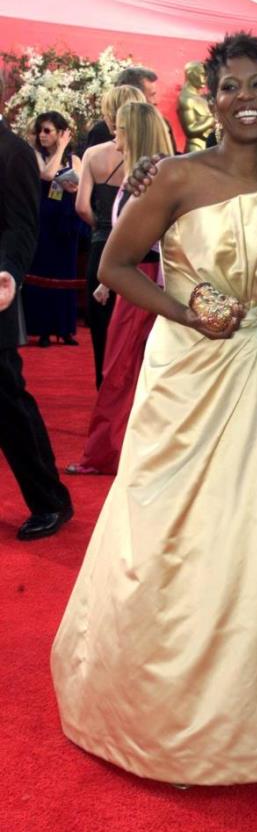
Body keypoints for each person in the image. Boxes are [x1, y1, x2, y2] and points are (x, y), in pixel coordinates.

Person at [51, 32, 257, 786]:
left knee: (250, 533)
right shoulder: (174, 176)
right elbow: (114, 266)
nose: (245, 99)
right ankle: (152, 707)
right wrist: (184, 309)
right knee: (166, 528)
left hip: (256, 382)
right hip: (184, 380)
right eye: (230, 87)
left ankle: (238, 709)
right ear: (210, 100)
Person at [67, 101, 174, 475]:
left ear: (137, 132)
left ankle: (108, 454)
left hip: (142, 284)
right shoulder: (150, 173)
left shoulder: (156, 176)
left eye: (122, 130)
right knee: (133, 371)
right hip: (137, 281)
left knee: (122, 371)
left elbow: (160, 240)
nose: (115, 137)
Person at [0, 82, 73, 540]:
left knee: (8, 405)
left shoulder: (11, 152)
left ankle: (50, 501)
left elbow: (22, 225)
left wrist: (8, 270)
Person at [76, 85, 146, 388]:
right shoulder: (152, 158)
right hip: (139, 258)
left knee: (102, 336)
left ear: (108, 115)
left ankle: (103, 394)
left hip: (101, 250)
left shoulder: (92, 155)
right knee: (135, 338)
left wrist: (101, 227)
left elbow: (81, 207)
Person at [23, 111, 82, 347]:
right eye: (41, 131)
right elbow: (47, 174)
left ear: (60, 133)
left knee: (65, 273)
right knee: (42, 272)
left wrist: (71, 185)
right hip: (42, 222)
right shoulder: (35, 155)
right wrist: (60, 149)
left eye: (48, 131)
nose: (42, 135)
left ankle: (65, 329)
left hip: (65, 222)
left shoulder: (74, 159)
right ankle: (43, 329)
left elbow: (78, 184)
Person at [176, 61, 215, 152]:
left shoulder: (201, 97)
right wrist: (211, 120)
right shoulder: (186, 99)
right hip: (195, 148)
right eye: (202, 74)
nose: (205, 79)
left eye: (206, 75)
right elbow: (190, 130)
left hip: (208, 147)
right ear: (190, 74)